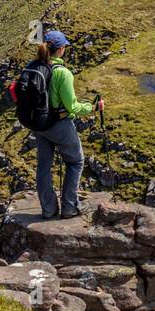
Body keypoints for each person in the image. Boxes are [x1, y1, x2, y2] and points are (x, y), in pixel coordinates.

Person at [32, 30, 103, 219]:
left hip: (39, 125)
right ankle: (69, 207)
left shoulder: (35, 68)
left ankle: (48, 209)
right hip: (59, 125)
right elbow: (72, 106)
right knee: (76, 162)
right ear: (61, 49)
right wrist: (93, 108)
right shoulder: (62, 73)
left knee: (44, 166)